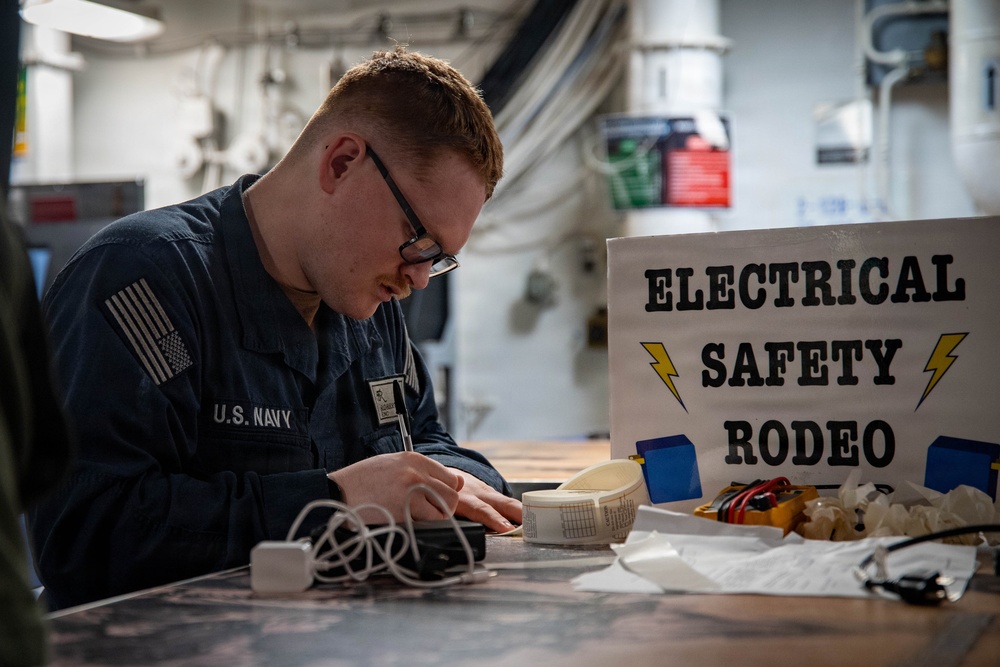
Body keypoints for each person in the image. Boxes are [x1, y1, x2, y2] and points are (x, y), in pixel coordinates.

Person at [29, 46, 521, 610]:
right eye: (420, 242)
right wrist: (332, 501)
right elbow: (84, 533)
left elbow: (424, 441)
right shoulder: (142, 284)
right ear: (340, 162)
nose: (420, 277)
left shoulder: (370, 303)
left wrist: (448, 481)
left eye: (439, 258)